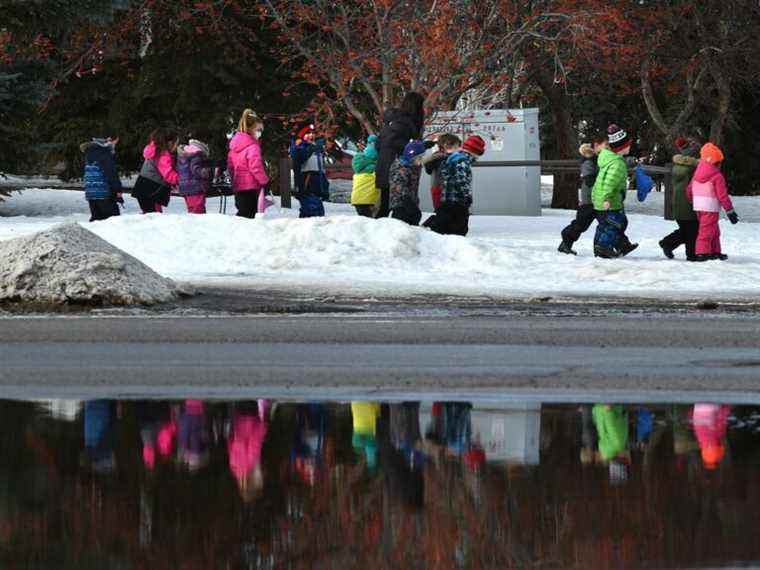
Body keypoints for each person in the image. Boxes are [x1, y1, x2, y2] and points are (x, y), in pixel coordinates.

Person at [375, 92, 426, 218]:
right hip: (396, 168)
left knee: (386, 205)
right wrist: (413, 147)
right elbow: (393, 141)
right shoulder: (404, 122)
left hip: (384, 165)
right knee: (399, 205)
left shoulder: (393, 121)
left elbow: (378, 143)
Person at [592, 124, 639, 258]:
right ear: (621, 147)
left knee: (605, 224)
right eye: (628, 145)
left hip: (600, 199)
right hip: (610, 200)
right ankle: (603, 247)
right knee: (615, 224)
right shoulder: (617, 164)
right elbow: (610, 182)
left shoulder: (608, 158)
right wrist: (607, 198)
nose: (630, 147)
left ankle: (620, 245)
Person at [686, 142, 739, 261]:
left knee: (713, 229)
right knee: (706, 230)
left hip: (699, 206)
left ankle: (715, 251)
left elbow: (689, 189)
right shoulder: (717, 176)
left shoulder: (697, 174)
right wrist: (730, 211)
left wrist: (691, 200)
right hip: (710, 207)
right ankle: (702, 252)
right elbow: (722, 196)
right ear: (716, 162)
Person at [424, 135, 485, 236]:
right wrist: (467, 198)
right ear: (475, 152)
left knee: (447, 226)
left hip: (447, 198)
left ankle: (434, 227)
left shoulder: (454, 157)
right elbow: (461, 181)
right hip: (457, 201)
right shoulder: (462, 161)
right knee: (459, 230)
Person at [558, 136, 605, 255]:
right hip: (589, 199)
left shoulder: (596, 160)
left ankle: (610, 246)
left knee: (606, 223)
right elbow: (589, 180)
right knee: (581, 224)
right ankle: (566, 240)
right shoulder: (589, 161)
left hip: (597, 198)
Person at [659, 137, 701, 261]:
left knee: (687, 229)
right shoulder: (693, 167)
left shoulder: (678, 165)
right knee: (693, 229)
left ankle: (667, 243)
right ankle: (691, 255)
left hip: (677, 201)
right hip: (687, 202)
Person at [228, 109, 269, 219]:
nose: (260, 133)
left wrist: (235, 181)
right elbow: (256, 167)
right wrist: (264, 181)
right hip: (251, 188)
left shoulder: (233, 147)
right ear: (250, 129)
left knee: (242, 214)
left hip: (238, 188)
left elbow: (230, 167)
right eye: (259, 130)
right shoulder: (253, 147)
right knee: (250, 217)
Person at [132, 128, 179, 214]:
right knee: (155, 216)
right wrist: (181, 179)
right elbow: (168, 174)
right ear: (169, 142)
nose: (176, 146)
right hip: (152, 191)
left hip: (144, 188)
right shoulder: (162, 155)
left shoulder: (154, 150)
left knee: (150, 213)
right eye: (176, 143)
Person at [290, 124, 330, 218]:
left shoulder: (317, 149)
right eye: (308, 133)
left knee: (319, 213)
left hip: (317, 187)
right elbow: (299, 158)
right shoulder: (299, 147)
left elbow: (320, 170)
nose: (311, 135)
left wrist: (325, 187)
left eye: (313, 133)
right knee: (311, 212)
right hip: (306, 185)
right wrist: (310, 148)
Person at [81, 136, 123, 221]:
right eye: (114, 141)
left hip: (91, 193)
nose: (115, 144)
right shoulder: (104, 154)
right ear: (107, 141)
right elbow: (112, 174)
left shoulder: (90, 152)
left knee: (96, 221)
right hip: (104, 193)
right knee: (112, 221)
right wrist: (118, 190)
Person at [388, 139, 427, 225]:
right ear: (411, 157)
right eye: (419, 158)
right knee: (402, 227)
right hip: (401, 206)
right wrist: (408, 202)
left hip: (410, 203)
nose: (421, 161)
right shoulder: (401, 168)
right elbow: (399, 187)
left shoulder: (411, 167)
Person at [421, 133, 461, 211]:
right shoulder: (440, 159)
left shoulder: (440, 158)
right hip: (441, 190)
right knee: (442, 211)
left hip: (441, 189)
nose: (458, 149)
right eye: (456, 147)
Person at [177, 139, 213, 214]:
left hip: (185, 187)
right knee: (198, 210)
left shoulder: (182, 156)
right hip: (196, 187)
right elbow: (195, 169)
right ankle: (199, 224)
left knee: (191, 209)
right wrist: (205, 172)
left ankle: (192, 223)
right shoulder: (196, 156)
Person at [350, 134, 380, 217]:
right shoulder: (375, 168)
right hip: (370, 200)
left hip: (356, 199)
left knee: (363, 223)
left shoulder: (359, 168)